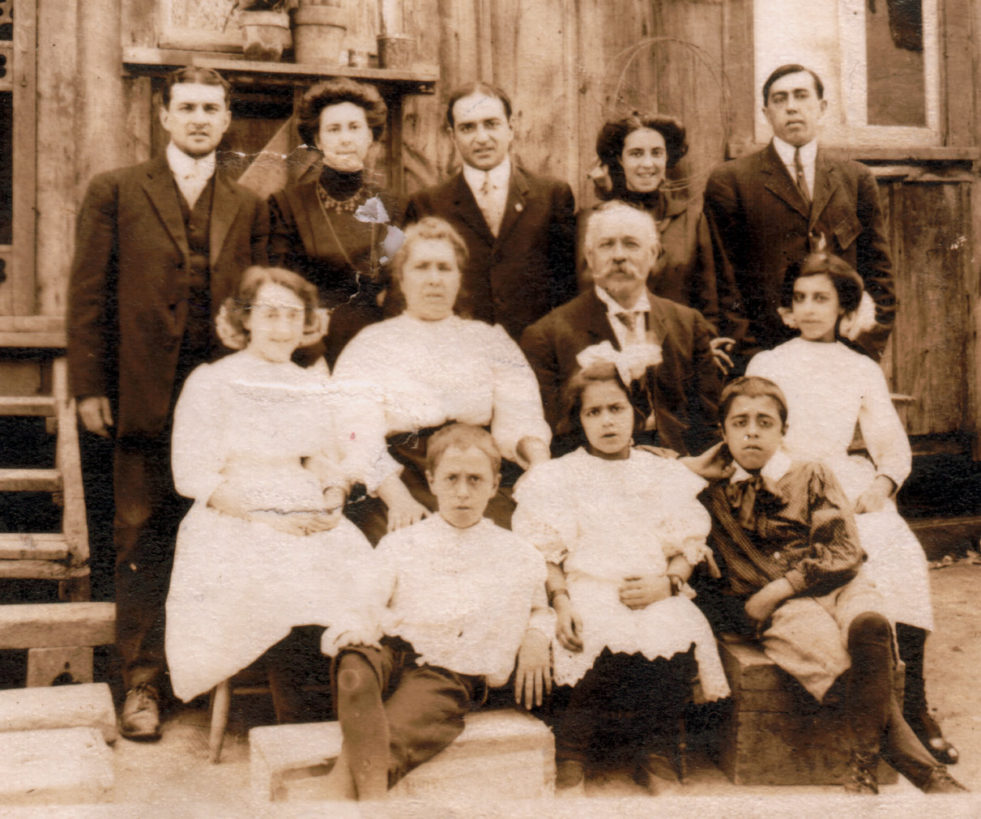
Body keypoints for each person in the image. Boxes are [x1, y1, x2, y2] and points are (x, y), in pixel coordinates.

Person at [66, 65, 268, 740]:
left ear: (226, 118)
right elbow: (88, 294)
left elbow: (261, 307)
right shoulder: (116, 191)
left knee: (215, 539)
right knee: (141, 536)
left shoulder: (248, 203)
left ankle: (203, 675)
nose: (199, 119)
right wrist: (90, 386)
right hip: (140, 401)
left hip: (222, 408)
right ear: (163, 116)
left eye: (212, 108)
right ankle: (142, 686)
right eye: (186, 107)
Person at [693, 376, 964, 794]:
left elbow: (844, 549)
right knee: (826, 656)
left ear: (784, 432)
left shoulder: (811, 473)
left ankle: (869, 763)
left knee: (869, 621)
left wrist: (782, 585)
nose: (751, 431)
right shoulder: (711, 494)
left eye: (765, 422)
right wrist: (692, 467)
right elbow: (641, 464)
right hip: (785, 612)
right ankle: (922, 774)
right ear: (723, 433)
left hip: (837, 584)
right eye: (739, 422)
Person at [746, 251, 957, 765]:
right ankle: (864, 695)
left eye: (823, 298)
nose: (810, 308)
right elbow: (752, 434)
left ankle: (913, 702)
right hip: (785, 480)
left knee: (895, 547)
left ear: (845, 307)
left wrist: (882, 485)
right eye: (800, 298)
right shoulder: (768, 363)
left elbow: (890, 444)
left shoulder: (861, 367)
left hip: (844, 479)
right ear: (787, 307)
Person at [165, 267, 375, 717]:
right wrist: (269, 518)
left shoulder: (310, 385)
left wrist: (334, 497)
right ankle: (292, 718)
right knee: (276, 569)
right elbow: (195, 474)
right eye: (270, 314)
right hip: (234, 514)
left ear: (306, 323)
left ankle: (346, 714)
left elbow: (320, 456)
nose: (282, 328)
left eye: (293, 316)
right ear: (246, 319)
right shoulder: (212, 381)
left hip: (301, 503)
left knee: (354, 562)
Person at [513, 361, 729, 793]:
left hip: (652, 588)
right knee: (587, 631)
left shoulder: (663, 473)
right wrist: (561, 602)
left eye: (616, 408)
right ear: (578, 419)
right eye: (593, 412)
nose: (607, 420)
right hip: (586, 589)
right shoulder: (559, 476)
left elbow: (688, 546)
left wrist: (666, 584)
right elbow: (545, 554)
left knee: (673, 624)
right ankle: (572, 748)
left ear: (637, 412)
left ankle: (658, 749)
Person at [320, 423, 553, 800]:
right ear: (431, 481)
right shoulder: (401, 543)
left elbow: (539, 609)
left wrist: (536, 636)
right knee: (355, 665)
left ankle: (347, 798)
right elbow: (364, 602)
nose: (462, 492)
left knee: (403, 723)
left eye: (475, 480)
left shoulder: (517, 554)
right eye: (452, 478)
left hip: (448, 669)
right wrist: (354, 633)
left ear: (495, 485)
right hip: (393, 649)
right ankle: (360, 784)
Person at [331, 217, 551, 540]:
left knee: (507, 544)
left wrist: (541, 469)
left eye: (444, 268)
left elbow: (522, 416)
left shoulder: (489, 340)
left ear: (459, 278)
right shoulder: (371, 345)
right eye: (422, 267)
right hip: (401, 481)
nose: (434, 279)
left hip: (478, 475)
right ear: (401, 279)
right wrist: (399, 500)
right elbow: (357, 433)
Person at [703, 63, 895, 370]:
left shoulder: (855, 179)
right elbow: (722, 280)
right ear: (766, 113)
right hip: (764, 358)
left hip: (844, 356)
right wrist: (752, 362)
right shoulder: (732, 181)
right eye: (780, 99)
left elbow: (880, 275)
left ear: (821, 107)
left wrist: (862, 349)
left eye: (801, 96)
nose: (791, 107)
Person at [521, 201, 720, 457]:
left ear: (653, 254)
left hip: (678, 476)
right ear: (589, 257)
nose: (618, 256)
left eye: (630, 244)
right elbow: (556, 435)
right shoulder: (547, 336)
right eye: (606, 245)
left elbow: (706, 426)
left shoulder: (687, 324)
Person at [405, 81, 576, 341]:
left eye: (491, 124)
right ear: (452, 136)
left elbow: (568, 290)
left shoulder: (551, 196)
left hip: (533, 355)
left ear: (511, 128)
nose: (481, 138)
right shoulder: (427, 204)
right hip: (457, 353)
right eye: (467, 127)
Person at [268, 78, 405, 368]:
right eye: (333, 129)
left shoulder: (395, 206)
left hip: (379, 352)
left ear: (370, 136)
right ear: (318, 141)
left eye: (355, 128)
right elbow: (279, 290)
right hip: (308, 348)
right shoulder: (286, 206)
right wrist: (308, 348)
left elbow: (400, 290)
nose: (345, 139)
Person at [588, 112, 719, 329]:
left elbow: (709, 305)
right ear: (620, 159)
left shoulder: (691, 220)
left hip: (680, 348)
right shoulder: (594, 221)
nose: (648, 164)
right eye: (636, 154)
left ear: (667, 158)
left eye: (656, 153)